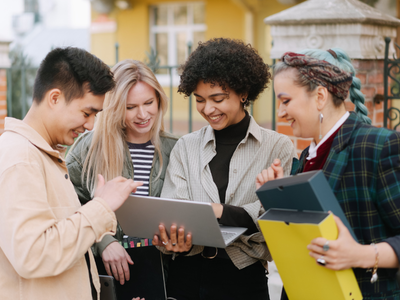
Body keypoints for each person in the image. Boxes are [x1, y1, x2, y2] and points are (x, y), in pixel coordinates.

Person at [151, 38, 297, 300]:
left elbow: (272, 220)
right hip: (185, 275)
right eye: (199, 100)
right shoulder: (186, 146)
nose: (208, 109)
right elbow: (175, 208)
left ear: (243, 93)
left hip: (243, 279)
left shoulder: (277, 147)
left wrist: (216, 211)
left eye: (217, 98)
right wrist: (173, 238)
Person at [256, 48, 400, 300]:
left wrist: (360, 254)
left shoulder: (378, 146)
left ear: (320, 96)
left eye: (286, 101)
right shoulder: (304, 159)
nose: (280, 113)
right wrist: (279, 200)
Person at [0, 47, 143, 300]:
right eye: (87, 113)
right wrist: (101, 207)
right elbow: (33, 254)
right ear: (54, 98)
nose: (90, 125)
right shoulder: (21, 159)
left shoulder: (44, 154)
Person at [66, 59, 178, 286]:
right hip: (105, 270)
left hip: (162, 270)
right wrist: (103, 241)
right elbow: (67, 204)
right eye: (130, 107)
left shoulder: (176, 148)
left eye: (149, 102)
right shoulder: (89, 147)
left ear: (159, 100)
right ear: (115, 107)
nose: (143, 114)